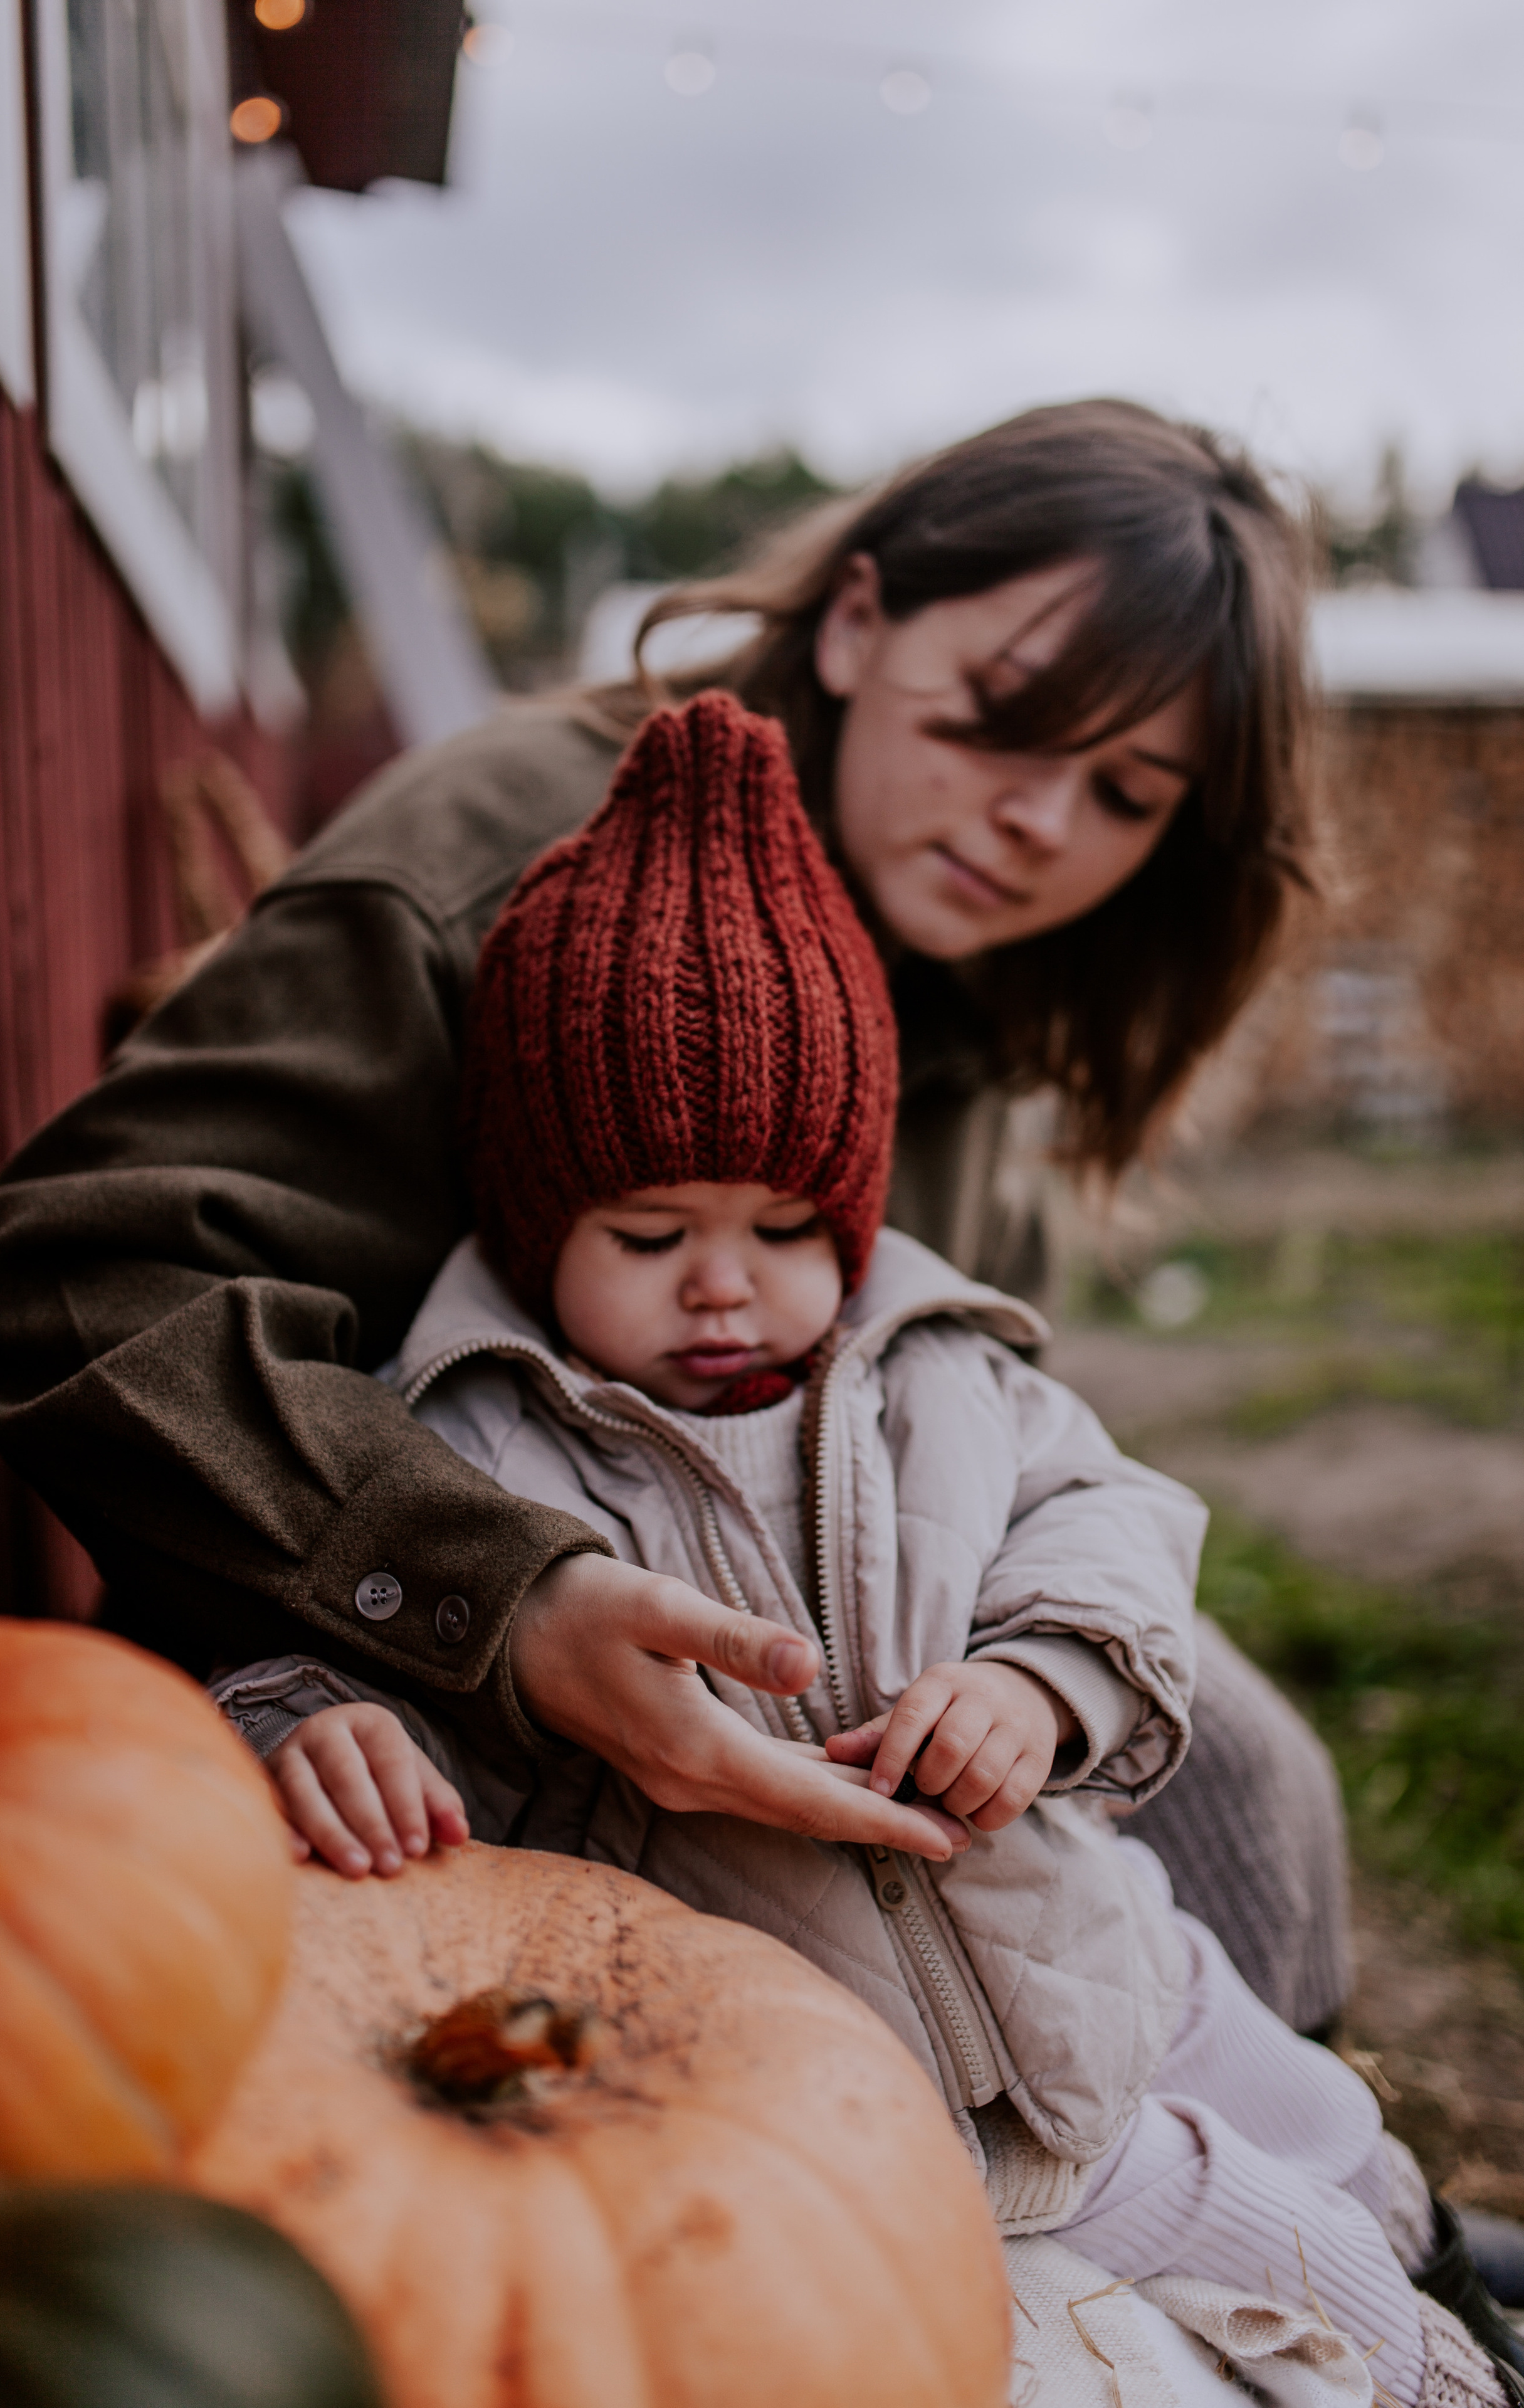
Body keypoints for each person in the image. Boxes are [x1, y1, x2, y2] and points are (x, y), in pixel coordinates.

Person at [0, 398, 1342, 2026]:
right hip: (391, 1712)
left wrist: (1033, 1652)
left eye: (1128, 792)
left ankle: (1336, 2197)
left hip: (837, 1681)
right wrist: (507, 1600)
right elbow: (78, 1280)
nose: (1042, 820)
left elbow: (979, 1425)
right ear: (863, 620)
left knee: (1246, 1780)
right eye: (1003, 720)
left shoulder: (983, 979)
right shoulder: (493, 864)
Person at [213, 695, 1519, 2408]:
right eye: (652, 1233)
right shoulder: (467, 1442)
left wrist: (1044, 1686)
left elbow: (1114, 1520)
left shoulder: (940, 1365)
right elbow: (324, 1628)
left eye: (782, 1229)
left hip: (1089, 1939)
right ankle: (1440, 2363)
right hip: (887, 2071)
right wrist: (301, 1727)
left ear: (854, 1209)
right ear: (535, 1228)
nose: (724, 1285)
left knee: (1330, 2132)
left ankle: (1428, 2248)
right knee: (1264, 2245)